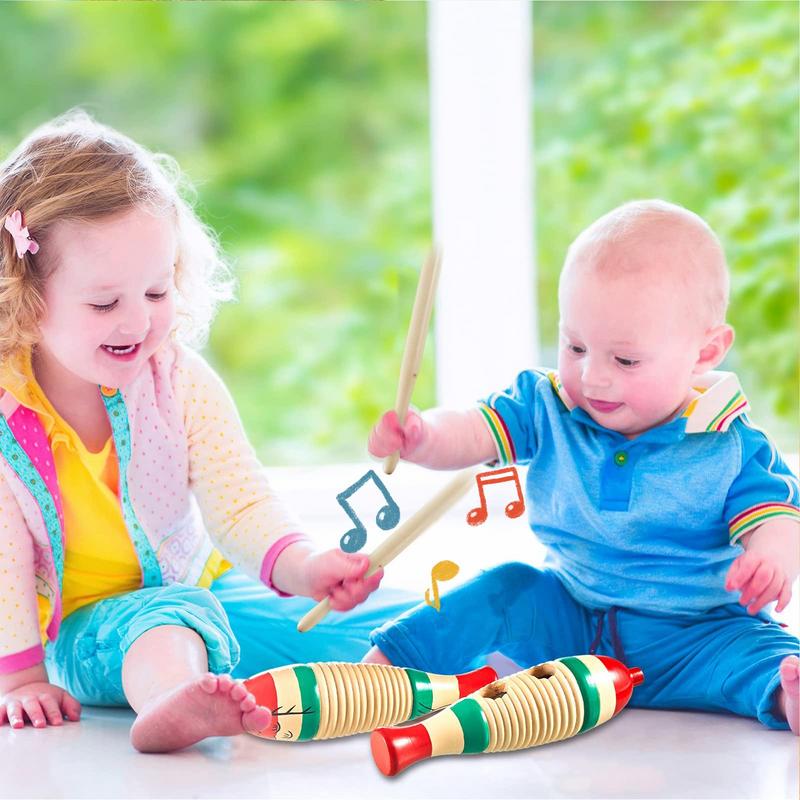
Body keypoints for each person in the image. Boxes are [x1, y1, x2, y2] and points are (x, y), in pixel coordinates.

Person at [0, 110, 411, 753]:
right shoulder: (6, 418)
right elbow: (4, 560)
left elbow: (240, 501)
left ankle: (516, 656)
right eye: (105, 303)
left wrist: (308, 568)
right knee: (164, 627)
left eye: (158, 291)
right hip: (81, 630)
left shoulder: (177, 380)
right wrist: (21, 677)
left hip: (200, 586)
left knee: (395, 633)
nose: (138, 321)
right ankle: (173, 703)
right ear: (25, 297)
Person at [365, 199, 800, 734]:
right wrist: (424, 436)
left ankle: (785, 696)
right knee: (504, 588)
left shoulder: (732, 444)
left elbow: (777, 517)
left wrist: (772, 558)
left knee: (764, 654)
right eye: (574, 346)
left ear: (706, 351)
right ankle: (386, 675)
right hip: (572, 618)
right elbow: (476, 430)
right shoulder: (548, 404)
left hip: (697, 633)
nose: (592, 378)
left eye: (625, 360)